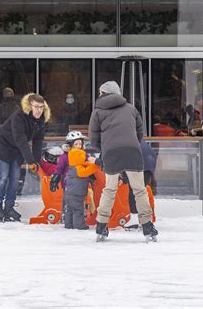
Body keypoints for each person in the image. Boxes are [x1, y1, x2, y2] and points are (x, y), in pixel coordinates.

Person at [89, 81, 158, 242]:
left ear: (103, 93)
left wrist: (105, 148)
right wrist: (131, 144)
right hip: (132, 151)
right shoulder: (131, 108)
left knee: (109, 189)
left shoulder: (98, 111)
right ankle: (147, 225)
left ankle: (101, 225)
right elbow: (140, 133)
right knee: (139, 190)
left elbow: (93, 139)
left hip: (111, 153)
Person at [0, 93, 51, 222]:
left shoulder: (41, 121)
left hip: (16, 150)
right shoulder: (19, 117)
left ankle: (9, 207)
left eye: (41, 107)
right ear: (29, 106)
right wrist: (30, 161)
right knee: (3, 177)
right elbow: (21, 140)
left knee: (15, 179)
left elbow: (38, 142)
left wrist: (36, 161)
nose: (39, 110)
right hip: (2, 147)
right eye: (36, 107)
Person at [50, 131, 87, 221]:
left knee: (78, 201)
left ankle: (79, 217)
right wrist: (55, 179)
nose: (78, 146)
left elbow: (88, 164)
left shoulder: (83, 155)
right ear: (70, 145)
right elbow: (59, 169)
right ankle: (65, 216)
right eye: (76, 144)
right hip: (68, 183)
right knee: (67, 200)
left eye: (80, 144)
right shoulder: (65, 157)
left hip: (79, 183)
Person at [121, 139, 158, 230]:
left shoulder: (125, 143)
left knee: (133, 191)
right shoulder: (140, 141)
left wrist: (123, 178)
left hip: (139, 164)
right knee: (141, 192)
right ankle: (146, 220)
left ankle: (135, 220)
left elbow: (123, 161)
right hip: (149, 164)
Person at [64, 145, 98, 230]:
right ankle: (79, 225)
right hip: (77, 194)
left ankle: (68, 224)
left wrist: (87, 162)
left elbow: (83, 163)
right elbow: (89, 170)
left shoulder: (72, 167)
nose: (85, 158)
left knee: (70, 209)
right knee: (78, 210)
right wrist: (95, 165)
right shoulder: (79, 170)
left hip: (69, 193)